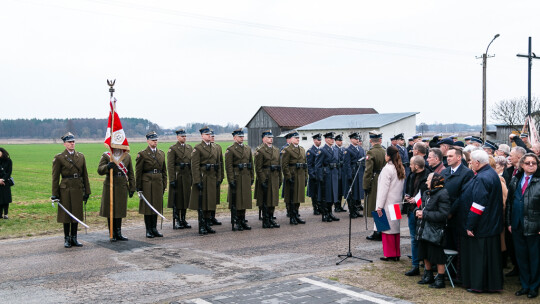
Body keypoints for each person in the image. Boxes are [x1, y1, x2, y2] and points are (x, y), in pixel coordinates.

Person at [457, 150, 504, 293]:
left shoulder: (482, 178)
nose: (470, 163)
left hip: (482, 225)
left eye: (471, 160)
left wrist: (470, 225)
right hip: (490, 223)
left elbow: (478, 205)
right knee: (490, 258)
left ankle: (478, 285)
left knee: (479, 257)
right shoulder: (491, 173)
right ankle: (491, 284)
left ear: (477, 162)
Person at [506, 153, 540, 299]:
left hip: (534, 226)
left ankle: (534, 286)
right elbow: (509, 203)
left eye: (534, 163)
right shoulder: (515, 180)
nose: (531, 165)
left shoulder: (538, 181)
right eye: (528, 163)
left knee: (534, 258)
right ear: (522, 165)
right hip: (517, 225)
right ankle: (525, 285)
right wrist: (509, 222)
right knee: (521, 258)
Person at [51, 132, 91, 248]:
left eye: (73, 142)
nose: (72, 144)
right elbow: (55, 177)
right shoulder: (59, 158)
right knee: (66, 215)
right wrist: (55, 194)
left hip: (78, 188)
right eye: (69, 142)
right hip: (65, 188)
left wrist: (87, 191)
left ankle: (74, 238)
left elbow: (85, 175)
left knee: (76, 214)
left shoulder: (81, 156)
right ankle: (67, 239)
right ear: (64, 144)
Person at [441, 147, 474, 280]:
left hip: (458, 216)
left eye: (450, 156)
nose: (447, 158)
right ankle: (448, 271)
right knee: (447, 243)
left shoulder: (467, 173)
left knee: (457, 245)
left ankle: (458, 273)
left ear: (459, 157)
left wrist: (450, 212)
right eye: (447, 156)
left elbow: (463, 196)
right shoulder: (445, 172)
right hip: (444, 213)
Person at [416, 173, 451, 288]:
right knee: (425, 253)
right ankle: (428, 275)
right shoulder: (427, 193)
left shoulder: (443, 194)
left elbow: (443, 214)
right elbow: (422, 207)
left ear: (435, 181)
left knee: (437, 255)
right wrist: (417, 210)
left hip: (435, 230)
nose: (426, 182)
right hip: (424, 228)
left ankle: (440, 279)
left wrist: (424, 214)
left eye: (429, 180)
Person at [97, 148, 135, 241]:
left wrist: (132, 187)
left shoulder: (127, 156)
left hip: (122, 184)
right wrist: (107, 167)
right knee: (110, 210)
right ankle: (112, 232)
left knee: (120, 209)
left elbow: (130, 172)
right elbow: (99, 170)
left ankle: (118, 232)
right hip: (110, 184)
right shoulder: (107, 155)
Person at [189, 126, 222, 235]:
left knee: (210, 203)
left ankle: (208, 225)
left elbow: (218, 164)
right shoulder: (198, 148)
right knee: (202, 204)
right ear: (202, 136)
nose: (209, 136)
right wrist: (197, 181)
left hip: (212, 177)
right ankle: (202, 226)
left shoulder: (214, 147)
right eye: (207, 134)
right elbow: (194, 166)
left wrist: (218, 178)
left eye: (210, 134)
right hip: (203, 178)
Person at [376, 146, 406, 261]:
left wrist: (379, 205)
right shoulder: (400, 167)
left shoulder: (387, 169)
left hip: (387, 203)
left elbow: (383, 190)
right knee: (395, 230)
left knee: (386, 229)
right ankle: (396, 252)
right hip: (397, 203)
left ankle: (389, 254)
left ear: (388, 156)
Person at [136, 131, 167, 238]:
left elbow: (164, 171)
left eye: (156, 140)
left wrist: (164, 184)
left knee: (156, 206)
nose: (155, 142)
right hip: (147, 182)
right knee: (148, 207)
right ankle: (148, 230)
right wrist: (138, 187)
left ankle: (154, 228)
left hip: (158, 182)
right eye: (153, 140)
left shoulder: (161, 153)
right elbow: (138, 171)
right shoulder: (143, 154)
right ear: (148, 141)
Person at [403, 156, 430, 276]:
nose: (409, 166)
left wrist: (417, 200)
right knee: (413, 239)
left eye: (411, 164)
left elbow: (427, 194)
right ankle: (415, 265)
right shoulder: (411, 175)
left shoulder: (428, 176)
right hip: (411, 210)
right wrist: (407, 196)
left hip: (421, 212)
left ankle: (426, 267)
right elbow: (410, 188)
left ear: (417, 166)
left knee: (422, 240)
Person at [225, 128, 254, 231]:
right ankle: (237, 221)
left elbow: (251, 164)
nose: (242, 138)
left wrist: (252, 177)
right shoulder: (231, 149)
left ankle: (243, 220)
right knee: (237, 201)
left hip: (245, 176)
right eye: (239, 136)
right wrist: (231, 180)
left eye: (242, 136)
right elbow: (228, 167)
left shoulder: (247, 148)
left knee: (245, 200)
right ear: (234, 138)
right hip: (237, 177)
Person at [254, 130, 282, 228]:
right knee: (265, 200)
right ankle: (265, 220)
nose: (271, 139)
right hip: (266, 177)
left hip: (274, 177)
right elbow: (258, 168)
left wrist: (280, 179)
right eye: (269, 137)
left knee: (273, 199)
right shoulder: (260, 150)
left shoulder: (276, 150)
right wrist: (262, 180)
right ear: (264, 139)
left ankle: (271, 218)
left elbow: (279, 165)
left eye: (272, 137)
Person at [167, 129, 193, 230]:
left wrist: (192, 177)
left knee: (185, 198)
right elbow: (170, 165)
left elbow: (191, 163)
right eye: (182, 136)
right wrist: (172, 179)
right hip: (178, 176)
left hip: (186, 175)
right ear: (177, 137)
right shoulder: (173, 149)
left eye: (185, 136)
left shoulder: (189, 148)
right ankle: (177, 219)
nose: (184, 138)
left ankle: (183, 219)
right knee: (177, 199)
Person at [281, 131, 308, 225]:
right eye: (296, 138)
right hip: (292, 176)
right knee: (292, 198)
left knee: (298, 197)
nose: (298, 139)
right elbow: (284, 165)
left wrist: (305, 177)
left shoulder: (302, 149)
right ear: (291, 139)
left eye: (298, 138)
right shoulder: (287, 150)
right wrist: (288, 177)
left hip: (300, 175)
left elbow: (305, 164)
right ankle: (292, 216)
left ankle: (297, 215)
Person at [364, 131, 386, 241]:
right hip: (385, 178)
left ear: (370, 141)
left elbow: (368, 171)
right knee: (382, 204)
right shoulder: (385, 151)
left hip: (375, 179)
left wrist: (365, 185)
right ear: (380, 140)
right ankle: (381, 230)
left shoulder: (371, 152)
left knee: (376, 205)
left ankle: (378, 231)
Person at [315, 132, 341, 222]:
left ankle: (330, 213)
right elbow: (318, 165)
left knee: (333, 195)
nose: (332, 140)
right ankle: (325, 214)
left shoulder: (335, 149)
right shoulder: (322, 150)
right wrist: (320, 177)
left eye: (333, 139)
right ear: (326, 139)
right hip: (326, 175)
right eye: (331, 139)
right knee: (326, 196)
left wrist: (338, 174)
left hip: (334, 174)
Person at [343, 132, 365, 218]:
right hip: (352, 172)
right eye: (355, 139)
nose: (357, 140)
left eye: (358, 139)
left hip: (359, 172)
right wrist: (349, 175)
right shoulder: (348, 150)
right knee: (351, 193)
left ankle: (356, 209)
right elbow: (347, 164)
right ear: (351, 139)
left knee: (357, 192)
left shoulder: (360, 149)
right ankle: (352, 211)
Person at [210, 130, 224, 226]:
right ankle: (207, 218)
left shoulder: (218, 147)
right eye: (211, 136)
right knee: (208, 198)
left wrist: (221, 177)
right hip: (208, 176)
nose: (213, 138)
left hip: (215, 176)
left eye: (213, 136)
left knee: (214, 198)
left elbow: (220, 163)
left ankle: (213, 216)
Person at [307, 133, 322, 216]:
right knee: (314, 193)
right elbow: (309, 165)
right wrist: (312, 175)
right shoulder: (310, 151)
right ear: (314, 140)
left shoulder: (321, 150)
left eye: (320, 140)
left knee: (320, 192)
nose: (319, 141)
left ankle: (320, 207)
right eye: (318, 140)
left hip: (320, 175)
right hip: (314, 176)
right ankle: (315, 208)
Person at [334, 134, 346, 213]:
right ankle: (336, 206)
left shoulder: (343, 149)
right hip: (336, 171)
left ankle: (340, 205)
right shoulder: (334, 149)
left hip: (342, 172)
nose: (341, 142)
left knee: (341, 190)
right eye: (339, 140)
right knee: (337, 190)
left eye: (341, 140)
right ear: (336, 141)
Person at [0, 148, 13, 219]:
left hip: (6, 182)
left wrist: (3, 179)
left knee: (6, 199)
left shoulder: (8, 161)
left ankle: (5, 214)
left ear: (2, 152)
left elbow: (9, 172)